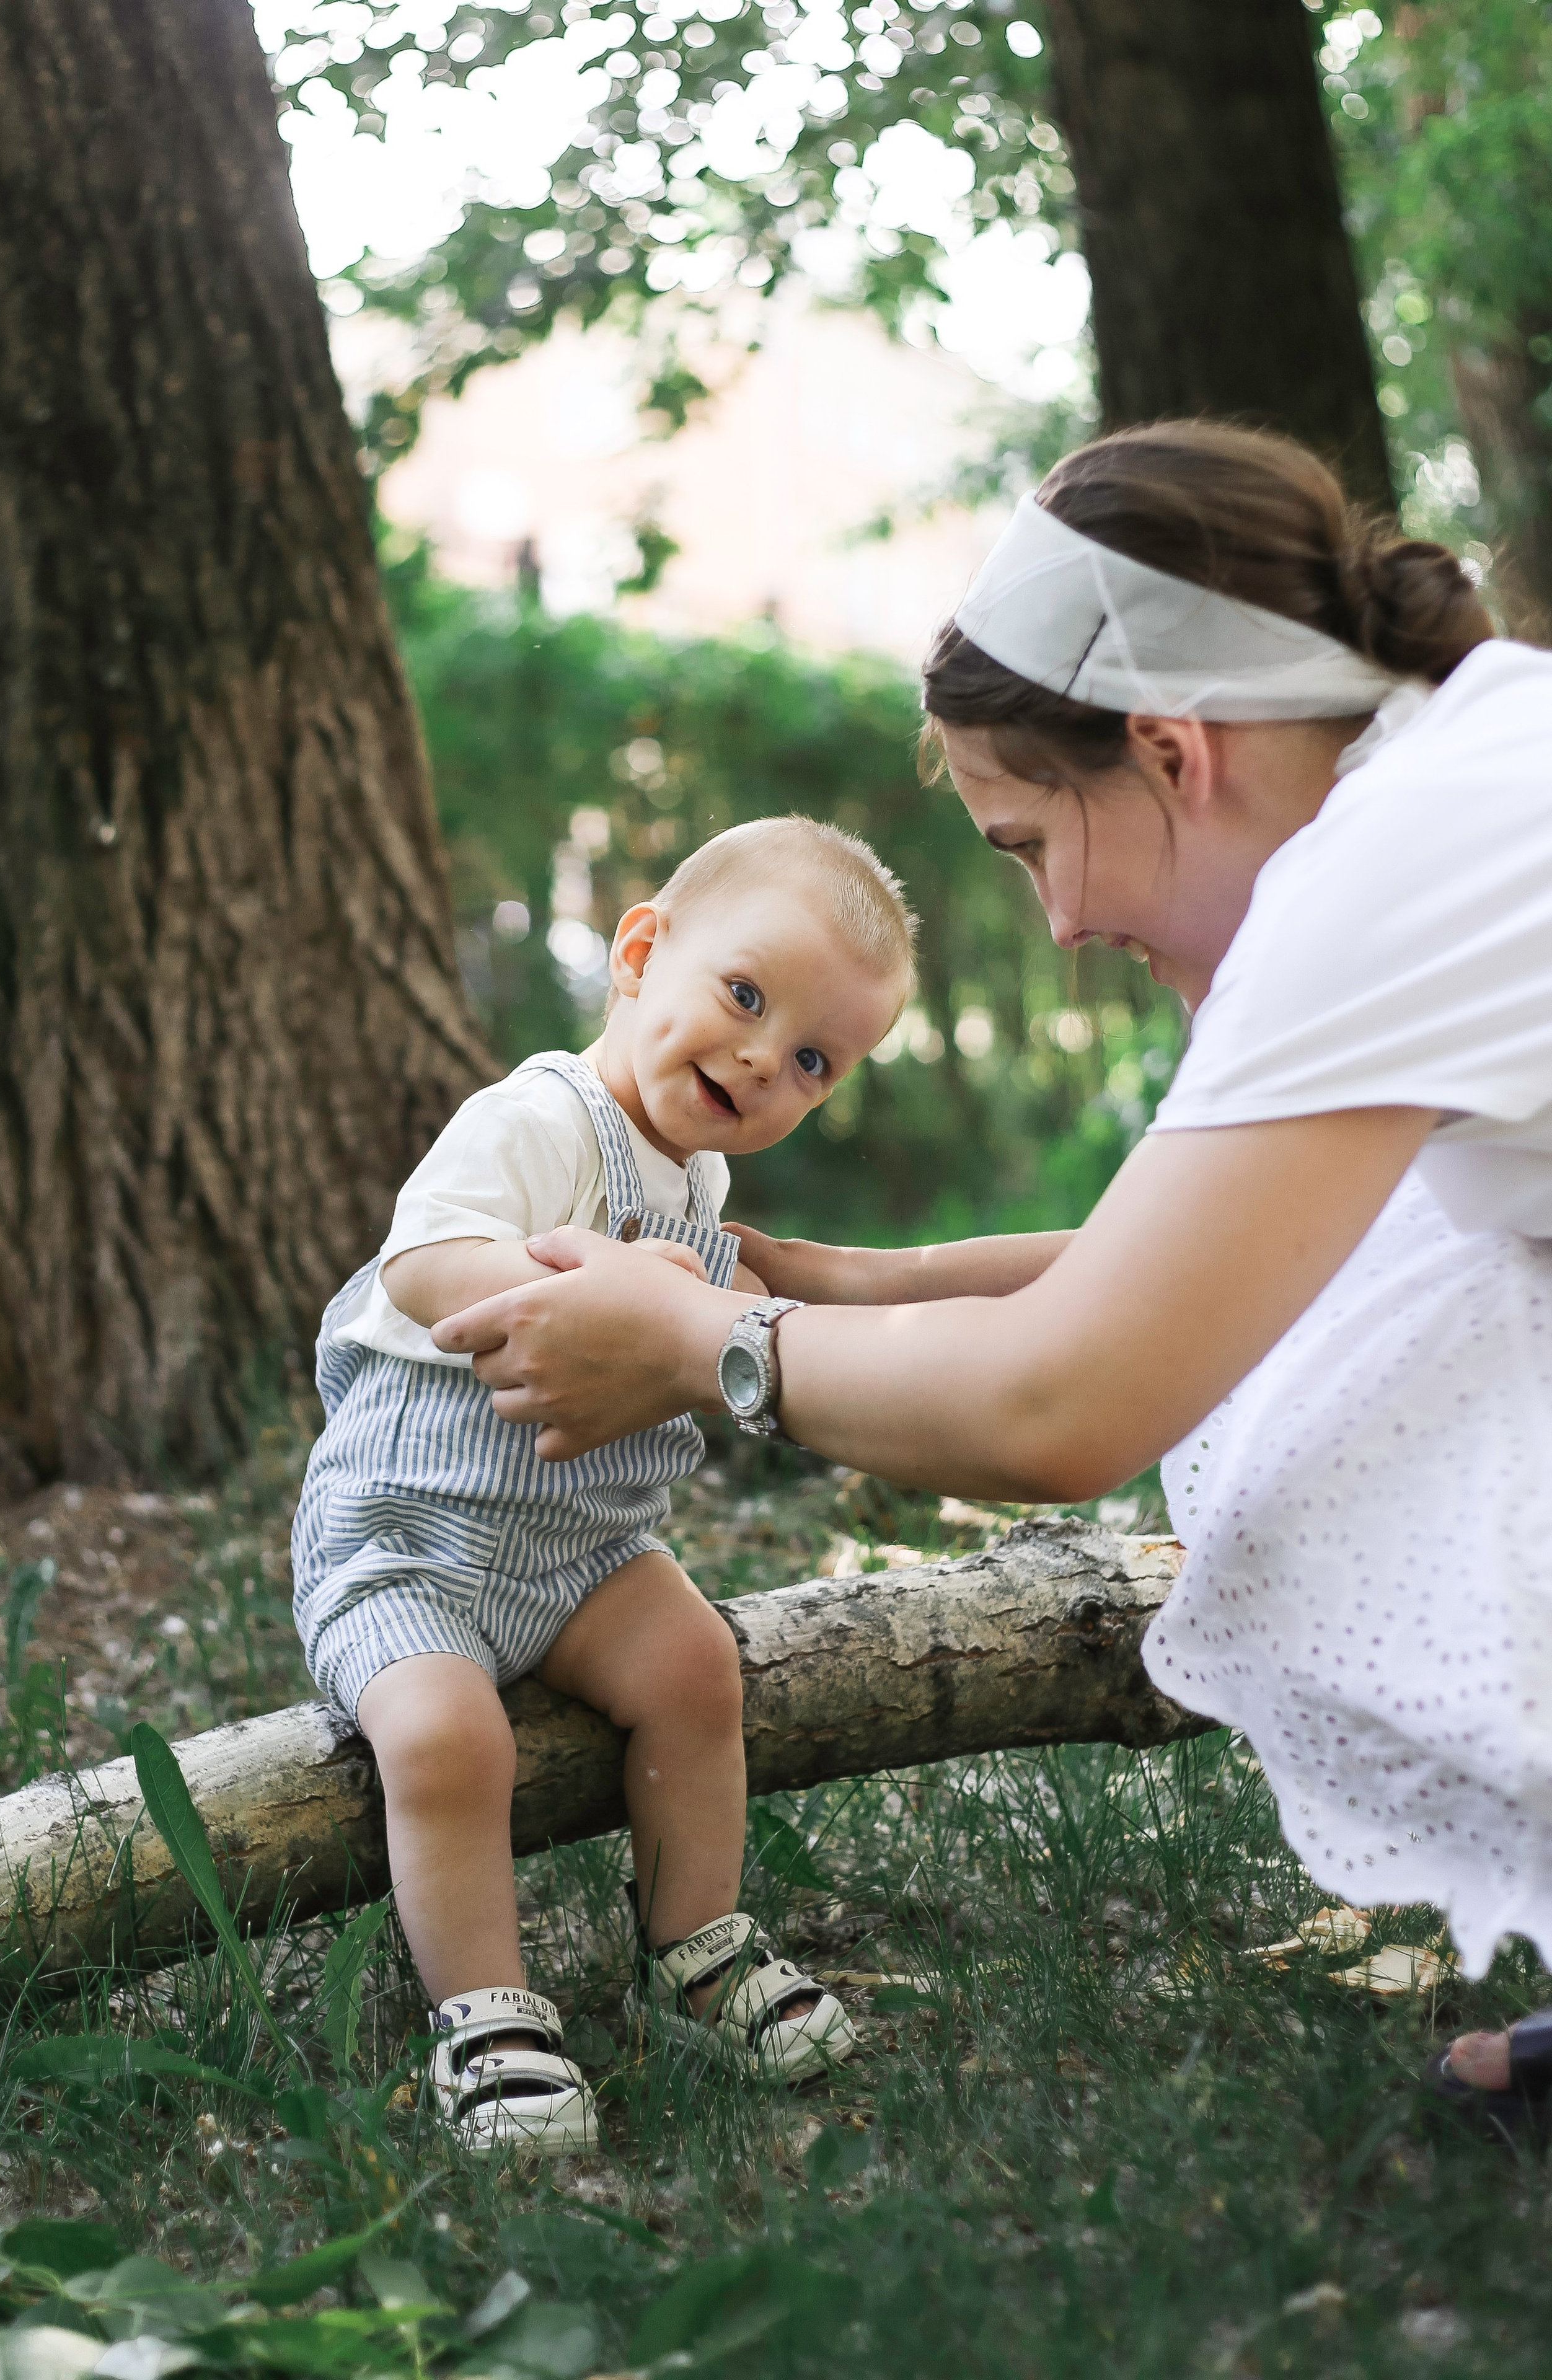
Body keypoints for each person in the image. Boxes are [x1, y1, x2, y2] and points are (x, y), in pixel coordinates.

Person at [434, 423, 1552, 2143]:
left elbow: (1068, 1401)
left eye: (1031, 844)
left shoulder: (1383, 876)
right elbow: (1213, 1262)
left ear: (1173, 754)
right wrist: (855, 1289)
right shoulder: (1455, 771)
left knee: (1368, 1420)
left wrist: (700, 1339)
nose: (1058, 924)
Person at [292, 815, 915, 2153]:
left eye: (810, 1056)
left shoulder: (699, 1179)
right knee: (452, 1742)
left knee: (695, 1667)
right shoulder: (535, 1119)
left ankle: (693, 1943)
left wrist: (716, 1300)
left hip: (578, 1554)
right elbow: (422, 1263)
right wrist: (606, 1297)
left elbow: (737, 1311)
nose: (760, 1057)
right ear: (640, 952)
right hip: (408, 1545)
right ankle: (486, 2015)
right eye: (744, 997)